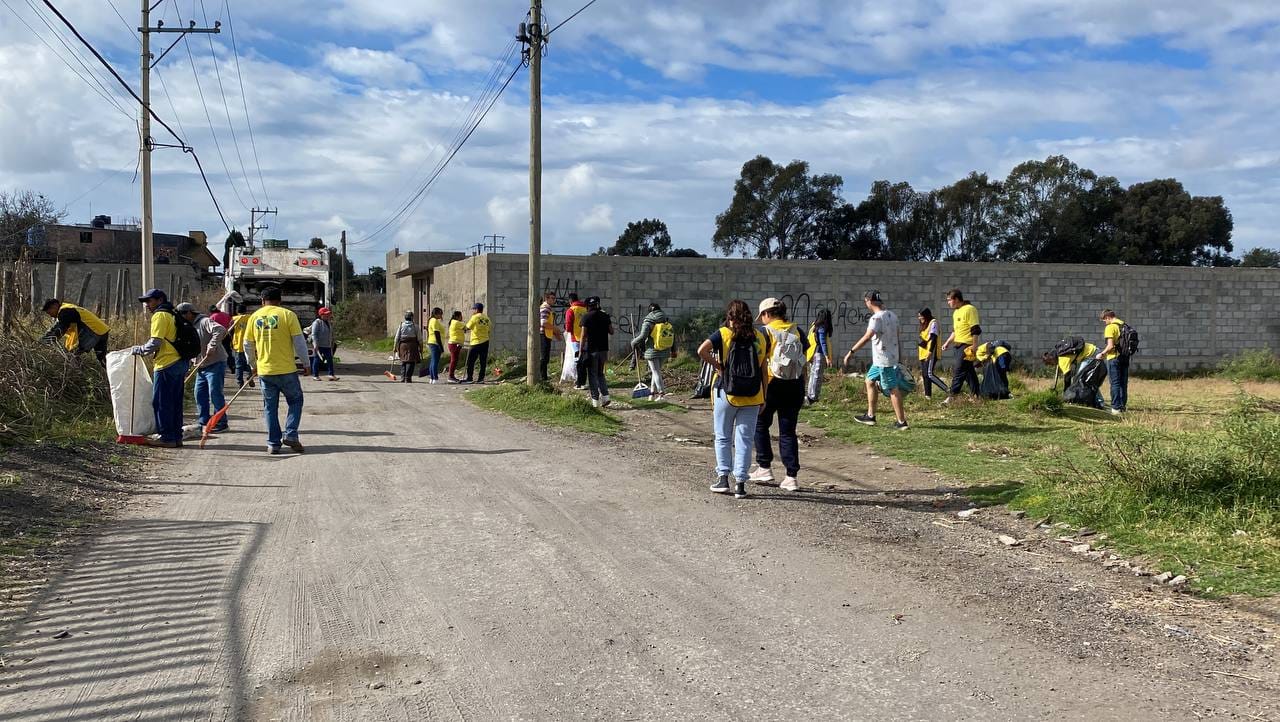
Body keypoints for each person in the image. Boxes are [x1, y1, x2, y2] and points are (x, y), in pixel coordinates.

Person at [698, 299, 769, 499]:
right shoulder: (760, 337)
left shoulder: (723, 334)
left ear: (730, 317)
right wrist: (764, 396)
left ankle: (723, 479)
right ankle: (740, 484)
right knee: (745, 440)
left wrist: (718, 366)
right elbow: (764, 370)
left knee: (723, 436)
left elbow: (701, 351)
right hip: (753, 395)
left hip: (725, 392)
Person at [750, 298, 808, 492]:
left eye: (763, 316)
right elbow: (804, 360)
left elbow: (758, 361)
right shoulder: (798, 331)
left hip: (771, 384)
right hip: (795, 384)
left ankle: (764, 466)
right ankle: (791, 477)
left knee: (760, 423)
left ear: (767, 314)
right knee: (788, 431)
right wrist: (804, 385)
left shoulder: (764, 332)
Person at [244, 286, 308, 455]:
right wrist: (306, 363)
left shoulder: (254, 317)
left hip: (265, 371)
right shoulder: (287, 315)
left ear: (262, 300)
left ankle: (273, 444)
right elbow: (299, 342)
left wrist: (252, 365)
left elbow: (247, 344)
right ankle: (291, 434)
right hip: (287, 370)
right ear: (280, 300)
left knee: (270, 408)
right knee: (295, 401)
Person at [130, 289, 188, 448]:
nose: (147, 305)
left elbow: (155, 342)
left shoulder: (160, 315)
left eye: (150, 301)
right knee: (175, 402)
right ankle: (176, 436)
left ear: (160, 300)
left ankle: (167, 438)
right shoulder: (173, 313)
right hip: (180, 362)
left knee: (161, 402)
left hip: (166, 364)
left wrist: (139, 350)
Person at [844, 290, 910, 430]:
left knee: (892, 388)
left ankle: (901, 422)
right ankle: (870, 416)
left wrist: (851, 351)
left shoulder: (876, 319)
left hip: (883, 360)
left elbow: (867, 336)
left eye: (866, 301)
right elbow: (898, 337)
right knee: (869, 381)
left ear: (869, 301)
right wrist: (900, 356)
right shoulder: (893, 316)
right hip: (886, 358)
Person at [177, 302, 229, 433]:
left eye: (183, 314)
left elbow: (220, 330)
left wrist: (212, 346)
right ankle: (203, 421)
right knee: (199, 394)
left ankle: (221, 422)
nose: (181, 318)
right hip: (201, 366)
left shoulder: (204, 321)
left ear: (189, 313)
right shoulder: (188, 326)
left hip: (215, 363)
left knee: (215, 393)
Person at [40, 298, 111, 366]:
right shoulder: (67, 309)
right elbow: (56, 327)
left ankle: (77, 375)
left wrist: (45, 342)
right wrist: (43, 339)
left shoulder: (65, 311)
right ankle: (110, 374)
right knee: (102, 359)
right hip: (102, 330)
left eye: (49, 312)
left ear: (54, 306)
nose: (50, 315)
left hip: (93, 332)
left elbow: (59, 330)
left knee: (71, 355)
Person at [940, 288, 981, 403]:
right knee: (968, 372)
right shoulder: (956, 312)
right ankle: (976, 396)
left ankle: (951, 397)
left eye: (949, 300)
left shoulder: (970, 309)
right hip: (958, 346)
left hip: (967, 345)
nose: (948, 302)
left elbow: (975, 329)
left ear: (956, 299)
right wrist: (947, 342)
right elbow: (955, 331)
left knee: (958, 371)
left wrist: (974, 345)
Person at [631, 302, 671, 401]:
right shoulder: (666, 320)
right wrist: (673, 350)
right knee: (656, 371)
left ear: (650, 311)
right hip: (664, 349)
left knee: (656, 371)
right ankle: (652, 394)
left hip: (652, 350)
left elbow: (642, 336)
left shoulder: (648, 321)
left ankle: (661, 394)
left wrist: (633, 342)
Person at [580, 296, 614, 407]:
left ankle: (595, 401)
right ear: (598, 305)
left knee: (592, 374)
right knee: (600, 373)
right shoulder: (605, 316)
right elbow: (611, 331)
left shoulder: (586, 317)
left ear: (588, 306)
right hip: (604, 350)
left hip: (592, 350)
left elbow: (583, 335)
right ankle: (606, 397)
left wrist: (580, 350)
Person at [1095, 309, 1129, 415]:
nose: (1105, 322)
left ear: (1108, 317)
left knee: (1115, 383)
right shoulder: (1124, 325)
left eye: (1104, 320)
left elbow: (1110, 346)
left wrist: (1102, 354)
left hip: (1114, 358)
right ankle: (1122, 406)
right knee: (1123, 383)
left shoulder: (1110, 327)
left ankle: (1115, 408)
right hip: (1125, 357)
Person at [917, 308, 948, 399]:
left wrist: (930, 351)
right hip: (923, 352)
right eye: (918, 316)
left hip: (930, 352)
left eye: (921, 316)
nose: (919, 318)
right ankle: (928, 396)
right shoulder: (923, 325)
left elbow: (934, 338)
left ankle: (948, 390)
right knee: (925, 375)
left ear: (926, 315)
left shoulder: (933, 323)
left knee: (929, 374)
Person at [805, 308, 832, 404]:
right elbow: (823, 342)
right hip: (819, 354)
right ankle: (812, 397)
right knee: (817, 376)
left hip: (812, 353)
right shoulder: (822, 327)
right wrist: (827, 357)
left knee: (813, 375)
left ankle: (810, 395)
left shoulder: (814, 326)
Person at [564, 293, 589, 389]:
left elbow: (568, 327)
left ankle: (579, 381)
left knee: (577, 360)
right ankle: (584, 380)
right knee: (585, 360)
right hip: (586, 338)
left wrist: (568, 332)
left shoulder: (571, 310)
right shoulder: (585, 309)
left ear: (570, 301)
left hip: (576, 338)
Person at [538, 292, 564, 382]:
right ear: (547, 298)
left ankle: (543, 376)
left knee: (545, 357)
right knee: (544, 357)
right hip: (543, 334)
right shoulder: (546, 308)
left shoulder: (547, 307)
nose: (554, 300)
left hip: (546, 334)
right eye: (552, 298)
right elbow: (543, 323)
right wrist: (555, 329)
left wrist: (555, 332)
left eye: (554, 298)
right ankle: (542, 377)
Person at [464, 303, 492, 383]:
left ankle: (469, 378)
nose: (473, 311)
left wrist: (464, 329)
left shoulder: (474, 317)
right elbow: (489, 329)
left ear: (476, 309)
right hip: (485, 341)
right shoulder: (487, 318)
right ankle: (481, 378)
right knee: (483, 361)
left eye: (473, 309)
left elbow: (467, 327)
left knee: (471, 361)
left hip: (475, 342)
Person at [308, 307, 338, 381]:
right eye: (326, 314)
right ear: (321, 315)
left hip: (327, 345)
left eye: (328, 314)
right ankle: (315, 375)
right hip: (319, 345)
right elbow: (314, 334)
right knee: (317, 360)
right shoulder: (317, 322)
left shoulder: (328, 323)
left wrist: (332, 342)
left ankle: (331, 375)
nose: (328, 316)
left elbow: (330, 333)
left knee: (330, 360)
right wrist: (315, 344)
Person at [230, 303, 255, 389]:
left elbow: (230, 332)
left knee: (238, 365)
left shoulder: (234, 319)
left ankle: (240, 381)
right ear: (245, 310)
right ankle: (250, 377)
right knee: (250, 362)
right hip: (250, 344)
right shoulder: (250, 318)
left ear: (237, 311)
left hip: (238, 345)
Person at [394, 311, 421, 382]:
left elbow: (397, 338)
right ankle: (408, 378)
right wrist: (421, 348)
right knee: (411, 362)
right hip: (412, 346)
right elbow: (420, 339)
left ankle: (402, 377)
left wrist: (394, 347)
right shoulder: (416, 326)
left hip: (402, 346)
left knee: (403, 361)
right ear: (412, 318)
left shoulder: (401, 325)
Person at [423, 307, 446, 383]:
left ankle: (432, 378)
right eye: (440, 314)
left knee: (433, 361)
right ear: (437, 314)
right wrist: (441, 346)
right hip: (435, 343)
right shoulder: (434, 321)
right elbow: (437, 334)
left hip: (432, 342)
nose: (441, 316)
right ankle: (435, 378)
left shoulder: (432, 320)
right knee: (435, 361)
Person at [446, 310, 465, 382]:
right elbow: (467, 327)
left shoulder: (454, 322)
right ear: (457, 316)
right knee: (453, 360)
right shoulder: (456, 322)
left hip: (455, 343)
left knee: (454, 360)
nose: (462, 317)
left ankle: (451, 376)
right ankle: (450, 376)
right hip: (454, 344)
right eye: (461, 316)